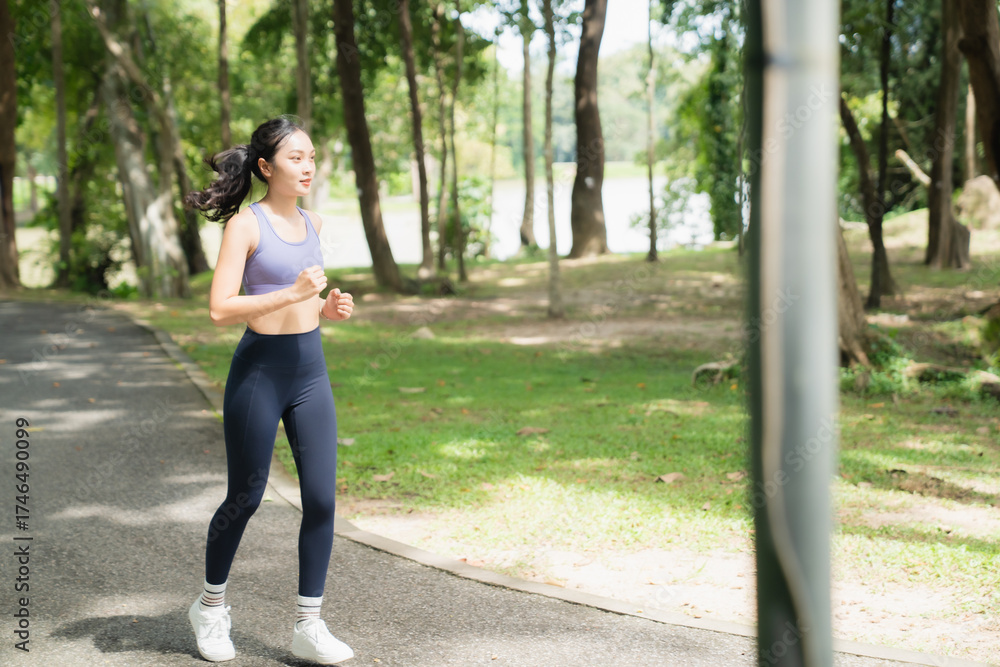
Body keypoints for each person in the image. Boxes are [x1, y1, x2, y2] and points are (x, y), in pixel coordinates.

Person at [184, 116, 355, 665]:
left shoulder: (315, 223)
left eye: (311, 157)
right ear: (265, 166)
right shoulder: (245, 226)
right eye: (295, 158)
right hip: (260, 373)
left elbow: (307, 303)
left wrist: (327, 308)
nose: (307, 167)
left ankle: (309, 624)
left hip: (310, 372)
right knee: (246, 496)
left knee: (322, 499)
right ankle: (210, 608)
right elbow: (220, 308)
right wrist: (292, 293)